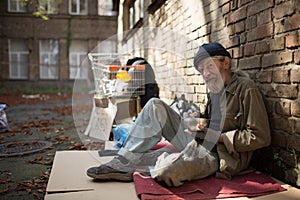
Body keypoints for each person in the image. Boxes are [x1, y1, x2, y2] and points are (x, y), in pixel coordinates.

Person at [87, 42, 271, 187]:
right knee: (154, 105)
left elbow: (260, 137)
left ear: (226, 62)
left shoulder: (246, 90)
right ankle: (123, 161)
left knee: (167, 170)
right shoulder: (214, 90)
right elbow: (210, 124)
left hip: (220, 156)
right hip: (201, 142)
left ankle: (149, 163)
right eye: (201, 70)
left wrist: (220, 138)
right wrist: (197, 122)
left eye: (209, 66)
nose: (205, 74)